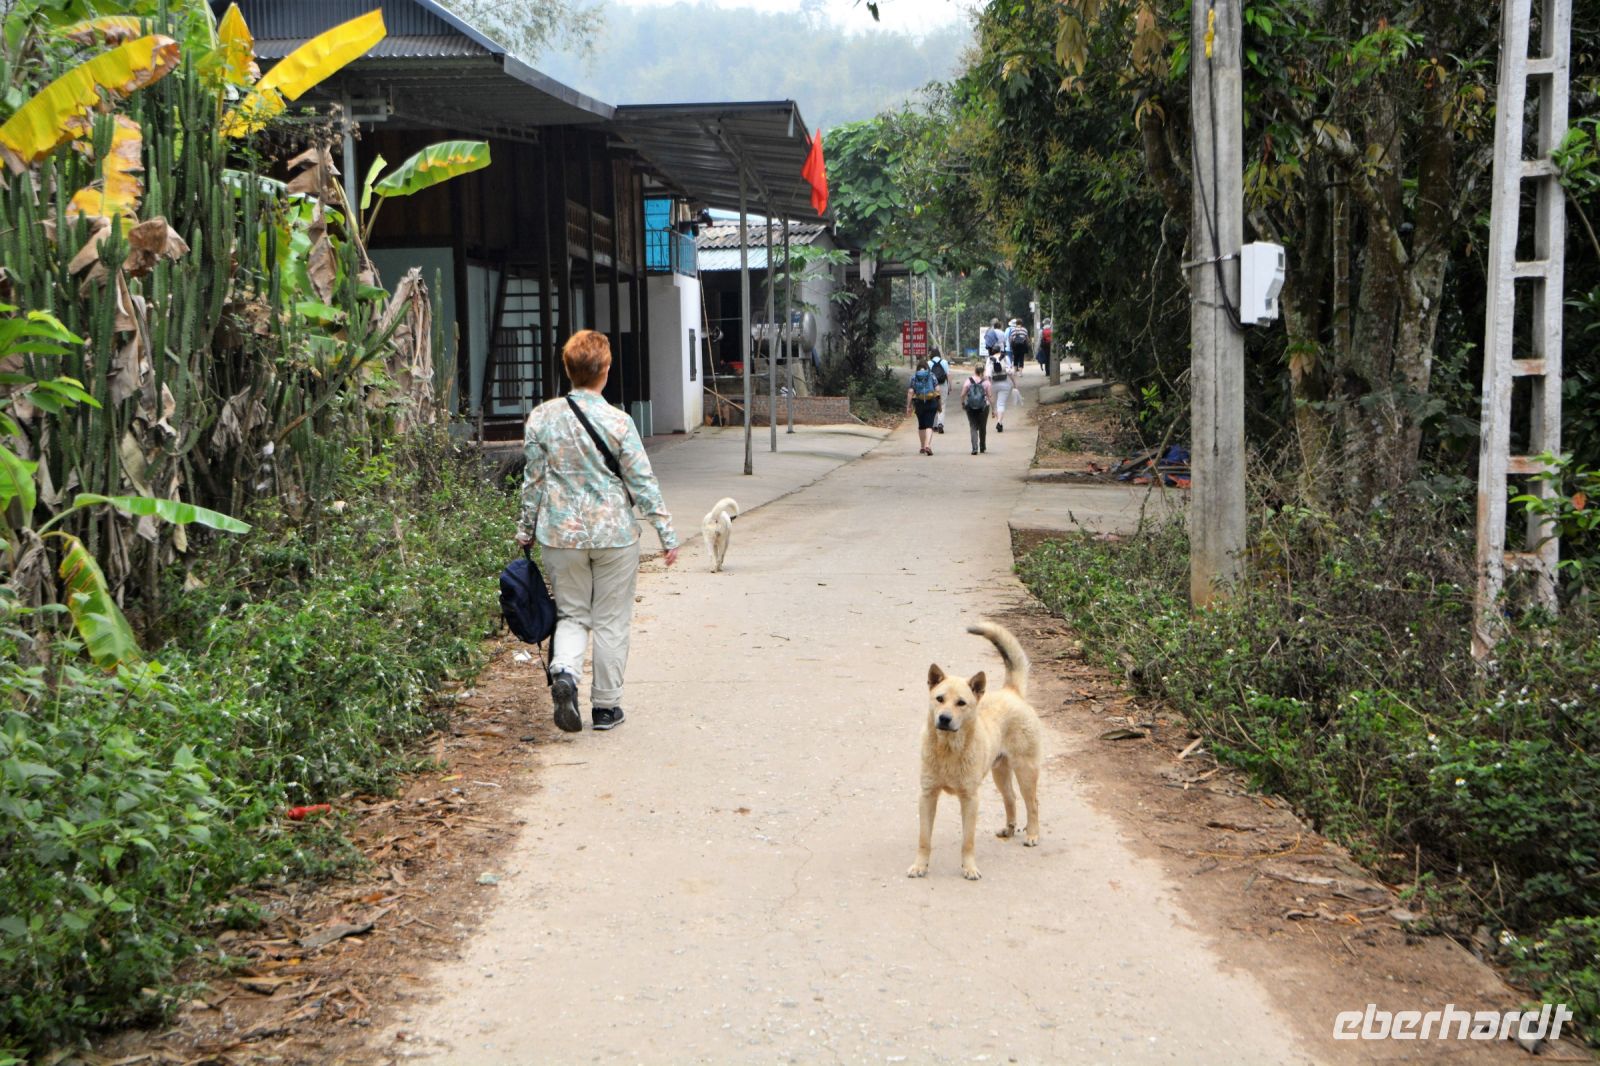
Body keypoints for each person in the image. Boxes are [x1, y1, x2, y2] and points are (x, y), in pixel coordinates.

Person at [516, 330, 680, 734]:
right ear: (606, 370)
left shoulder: (542, 418)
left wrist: (526, 529)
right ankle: (606, 708)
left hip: (561, 535)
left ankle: (566, 674)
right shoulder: (619, 421)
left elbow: (533, 481)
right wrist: (665, 533)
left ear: (567, 368)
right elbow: (642, 481)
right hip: (614, 536)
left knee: (572, 614)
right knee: (611, 620)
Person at [906, 358, 941, 455]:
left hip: (919, 403)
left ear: (918, 368)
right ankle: (927, 445)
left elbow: (910, 391)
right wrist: (939, 402)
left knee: (921, 425)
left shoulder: (914, 377)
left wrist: (908, 406)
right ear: (927, 367)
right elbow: (938, 389)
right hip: (931, 402)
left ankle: (922, 446)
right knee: (929, 425)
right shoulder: (932, 375)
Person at [960, 361, 993, 455]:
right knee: (983, 426)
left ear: (975, 370)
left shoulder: (968, 380)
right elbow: (990, 396)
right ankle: (982, 446)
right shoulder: (986, 382)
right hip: (984, 407)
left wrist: (963, 403)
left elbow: (962, 394)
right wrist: (994, 409)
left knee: (973, 426)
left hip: (970, 406)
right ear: (984, 370)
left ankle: (974, 448)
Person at [988, 340, 1020, 433]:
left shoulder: (989, 359)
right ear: (1000, 350)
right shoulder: (1005, 358)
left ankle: (999, 422)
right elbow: (1010, 372)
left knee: (995, 405)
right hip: (1005, 384)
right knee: (1001, 404)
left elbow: (988, 375)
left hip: (993, 384)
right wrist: (1015, 384)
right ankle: (999, 422)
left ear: (993, 351)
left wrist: (988, 386)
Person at [927, 348, 951, 434]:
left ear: (931, 354)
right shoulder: (944, 362)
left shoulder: (929, 363)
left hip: (932, 386)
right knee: (942, 404)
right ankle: (940, 424)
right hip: (943, 385)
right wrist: (950, 386)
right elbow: (948, 375)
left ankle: (934, 425)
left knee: (933, 404)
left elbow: (927, 376)